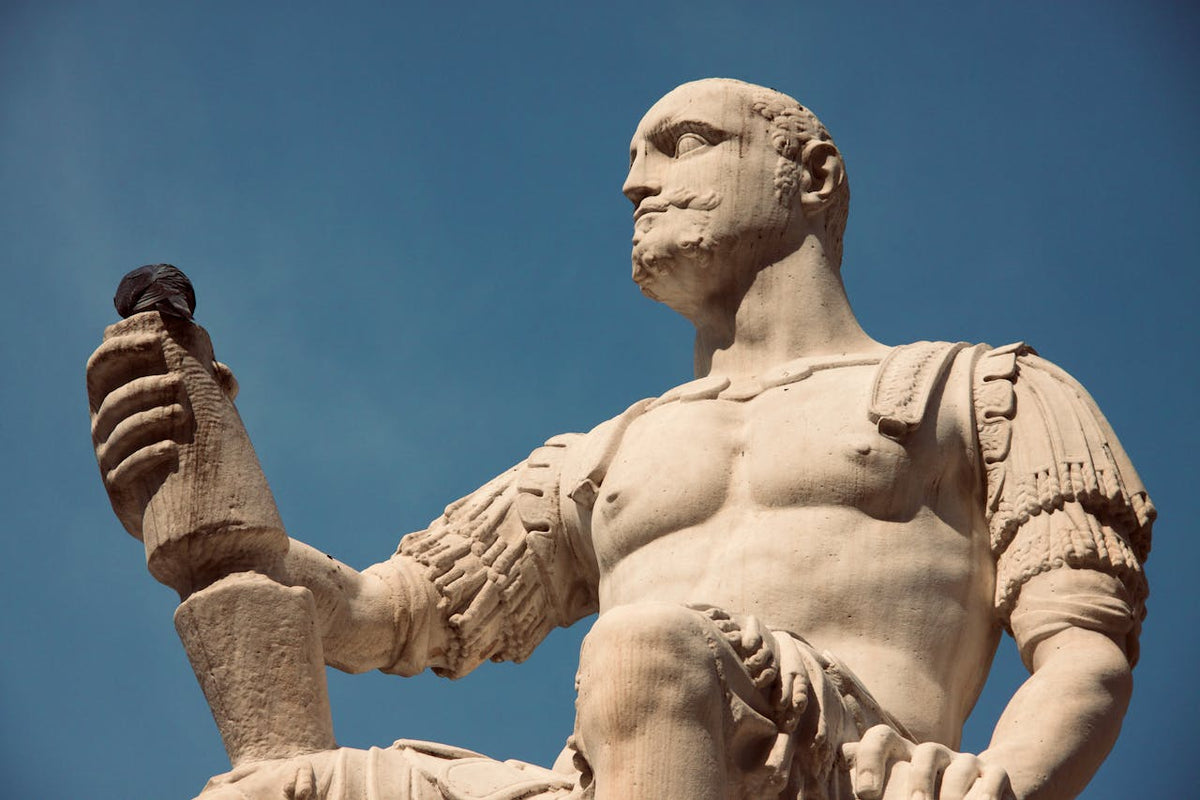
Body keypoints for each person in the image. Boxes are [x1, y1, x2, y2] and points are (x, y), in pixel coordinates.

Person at [87, 78, 1152, 800]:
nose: (637, 182)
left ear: (812, 176)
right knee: (272, 788)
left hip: (851, 769)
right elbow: (380, 617)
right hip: (607, 777)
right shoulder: (605, 457)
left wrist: (1002, 782)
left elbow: (1084, 656)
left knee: (648, 644)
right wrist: (208, 491)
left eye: (684, 145)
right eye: (634, 159)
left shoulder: (984, 390)